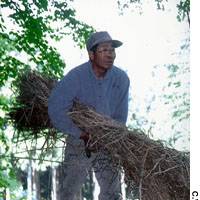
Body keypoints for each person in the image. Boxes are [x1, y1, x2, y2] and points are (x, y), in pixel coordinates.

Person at [48, 31, 130, 200]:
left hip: (108, 142)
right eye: (104, 50)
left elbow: (121, 116)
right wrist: (81, 134)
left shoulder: (121, 79)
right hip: (79, 140)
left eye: (112, 50)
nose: (110, 55)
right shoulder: (76, 77)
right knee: (69, 190)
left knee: (112, 193)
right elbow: (56, 109)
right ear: (91, 55)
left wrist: (112, 138)